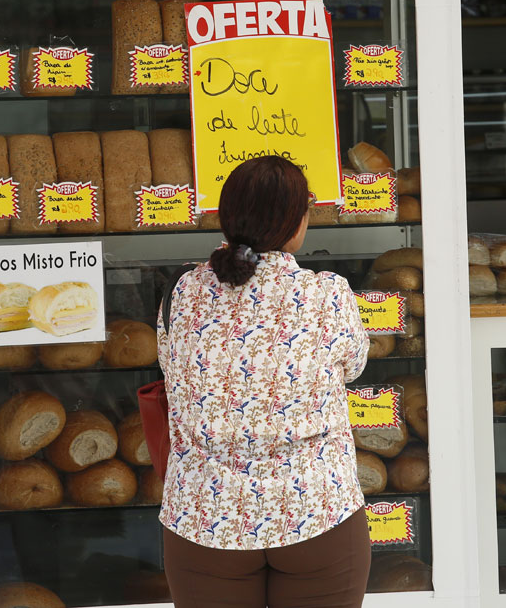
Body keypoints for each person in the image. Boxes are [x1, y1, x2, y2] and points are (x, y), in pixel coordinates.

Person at [156, 155, 371, 607]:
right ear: (296, 222)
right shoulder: (327, 294)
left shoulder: (183, 293)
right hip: (316, 511)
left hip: (205, 518)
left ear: (226, 217)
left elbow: (171, 371)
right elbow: (353, 366)